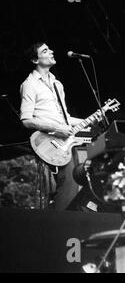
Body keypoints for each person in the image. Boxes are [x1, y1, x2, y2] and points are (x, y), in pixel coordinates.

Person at [20, 42, 85, 210]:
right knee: (52, 190)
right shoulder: (30, 85)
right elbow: (26, 120)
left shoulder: (57, 84)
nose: (52, 52)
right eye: (45, 50)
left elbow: (65, 118)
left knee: (71, 186)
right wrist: (57, 128)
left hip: (65, 143)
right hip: (47, 144)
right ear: (35, 60)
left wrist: (97, 116)